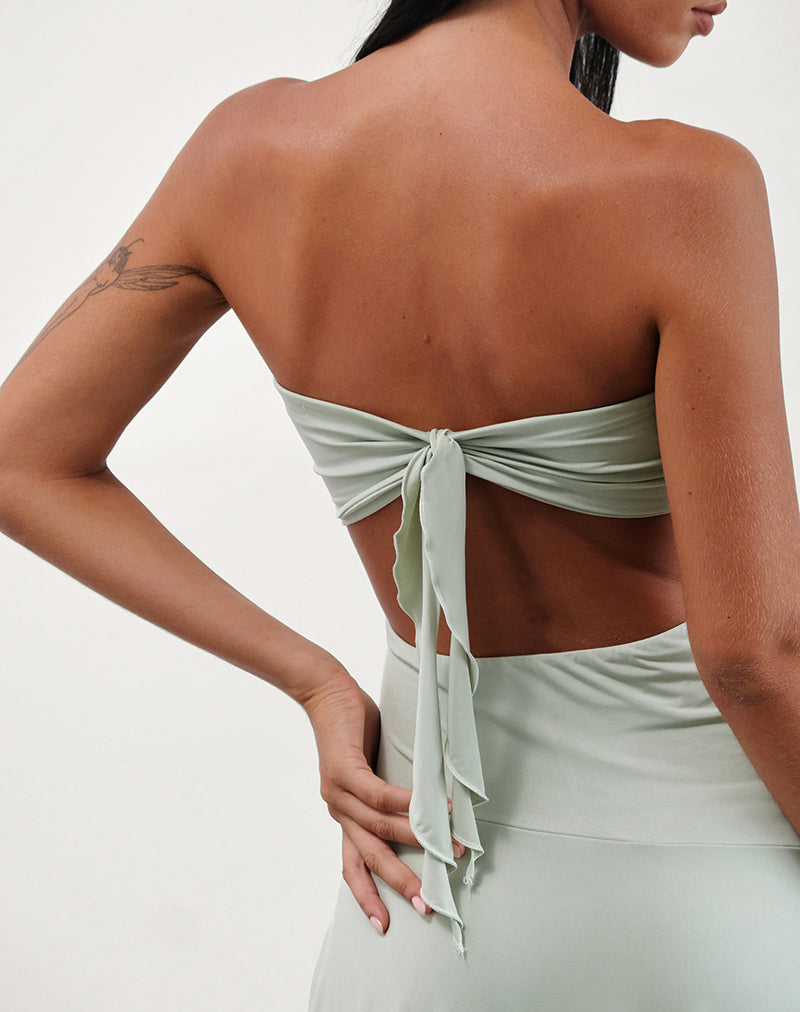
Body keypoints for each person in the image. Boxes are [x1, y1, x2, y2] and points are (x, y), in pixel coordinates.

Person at [1, 0, 799, 1007]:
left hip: (412, 915)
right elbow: (755, 657)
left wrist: (318, 684)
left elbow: (19, 459)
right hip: (700, 915)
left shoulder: (245, 151)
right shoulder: (685, 189)